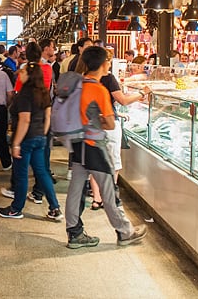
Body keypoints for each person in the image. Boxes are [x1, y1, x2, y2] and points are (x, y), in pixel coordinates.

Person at [64, 46, 147, 249]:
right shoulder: (98, 89)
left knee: (76, 188)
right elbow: (110, 124)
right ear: (103, 64)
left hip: (77, 143)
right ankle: (125, 232)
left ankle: (74, 232)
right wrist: (98, 120)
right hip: (94, 145)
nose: (109, 65)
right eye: (108, 62)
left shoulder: (75, 84)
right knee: (109, 189)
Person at [0, 62, 62, 221]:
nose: (20, 74)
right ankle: (55, 208)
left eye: (23, 72)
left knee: (21, 174)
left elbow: (25, 120)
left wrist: (16, 143)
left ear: (30, 76)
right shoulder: (44, 92)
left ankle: (16, 209)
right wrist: (42, 133)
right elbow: (48, 116)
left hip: (26, 139)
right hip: (40, 138)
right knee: (42, 172)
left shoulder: (25, 94)